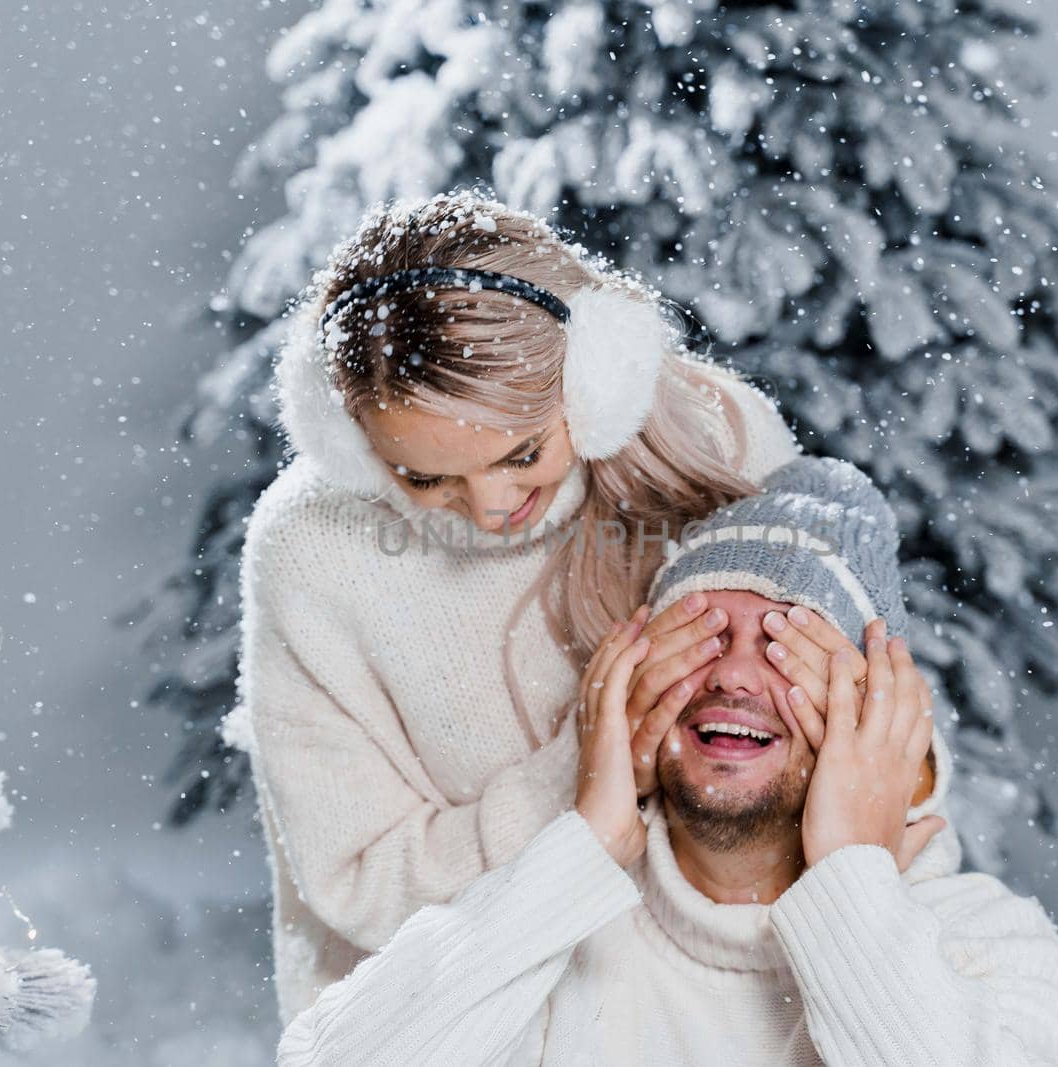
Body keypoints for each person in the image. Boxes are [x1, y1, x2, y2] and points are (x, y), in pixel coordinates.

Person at [231, 188, 920, 1024]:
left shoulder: (715, 436)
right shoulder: (313, 551)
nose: (489, 505)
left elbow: (870, 740)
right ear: (346, 439)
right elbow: (358, 883)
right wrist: (590, 768)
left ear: (597, 376)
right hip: (461, 1020)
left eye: (522, 452)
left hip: (711, 1011)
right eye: (425, 476)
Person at [275, 457, 1058, 1066]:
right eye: (701, 637)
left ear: (872, 714)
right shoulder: (549, 933)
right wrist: (584, 841)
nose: (736, 674)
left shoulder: (986, 940)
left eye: (787, 644)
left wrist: (852, 872)